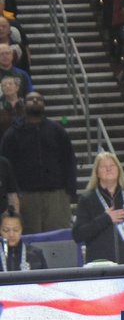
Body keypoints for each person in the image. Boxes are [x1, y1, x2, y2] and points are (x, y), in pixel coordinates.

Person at [0, 92, 77, 233]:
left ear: (44, 105)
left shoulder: (57, 130)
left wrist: (70, 189)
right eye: (31, 99)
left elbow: (69, 159)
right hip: (26, 196)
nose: (35, 101)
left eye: (39, 99)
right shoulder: (12, 134)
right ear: (24, 104)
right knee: (30, 239)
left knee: (58, 237)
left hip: (56, 195)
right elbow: (5, 166)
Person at [72, 152, 124, 264]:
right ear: (97, 172)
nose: (109, 169)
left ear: (119, 169)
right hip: (100, 264)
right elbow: (78, 234)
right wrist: (106, 218)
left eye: (112, 166)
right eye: (103, 167)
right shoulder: (87, 199)